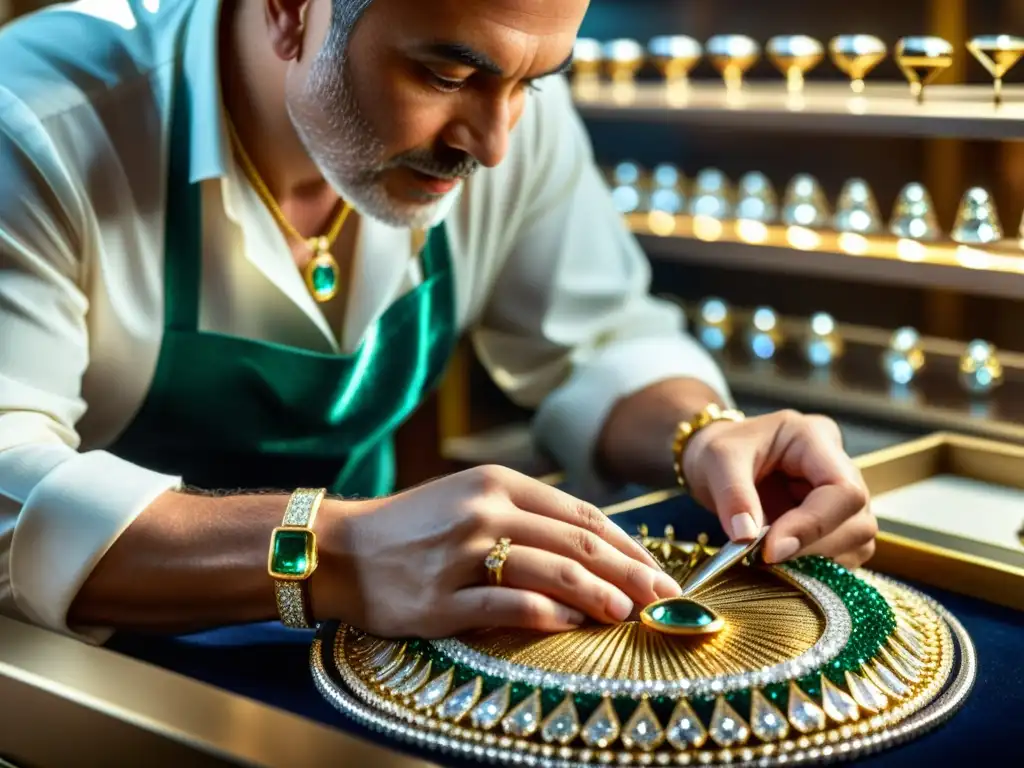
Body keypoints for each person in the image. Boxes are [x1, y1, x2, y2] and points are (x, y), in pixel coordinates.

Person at [0, 0, 875, 645]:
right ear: (289, 13)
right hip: (94, 668)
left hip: (363, 654)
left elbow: (597, 342)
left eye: (532, 81)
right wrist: (336, 551)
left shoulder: (511, 117)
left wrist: (705, 436)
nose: (495, 143)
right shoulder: (37, 123)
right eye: (448, 76)